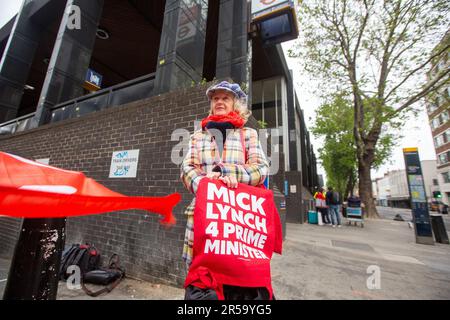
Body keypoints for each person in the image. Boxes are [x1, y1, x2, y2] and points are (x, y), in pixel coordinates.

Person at [180, 80, 271, 300]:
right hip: (204, 220)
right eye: (215, 98)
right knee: (203, 283)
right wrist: (205, 184)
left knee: (237, 285)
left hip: (237, 222)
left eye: (225, 98)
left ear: (234, 103)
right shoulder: (197, 137)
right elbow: (186, 169)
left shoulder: (247, 134)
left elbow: (261, 168)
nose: (219, 101)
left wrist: (228, 173)